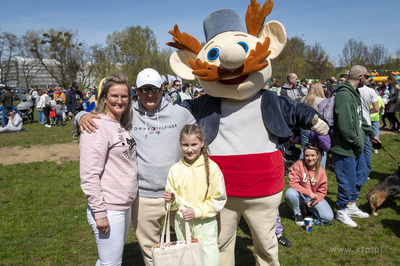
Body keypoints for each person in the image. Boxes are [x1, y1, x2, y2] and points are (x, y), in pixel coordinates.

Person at [76, 68, 196, 266]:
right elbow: (100, 119)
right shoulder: (128, 114)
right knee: (151, 254)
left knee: (184, 249)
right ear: (137, 91)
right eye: (144, 89)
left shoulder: (180, 113)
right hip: (142, 198)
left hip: (177, 194)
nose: (150, 94)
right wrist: (81, 115)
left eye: (154, 89)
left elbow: (198, 141)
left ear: (163, 89)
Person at [79, 74, 137, 266]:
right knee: (111, 263)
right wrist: (100, 213)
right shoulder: (96, 126)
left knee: (108, 261)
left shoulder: (120, 123)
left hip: (122, 204)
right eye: (114, 96)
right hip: (109, 207)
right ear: (104, 98)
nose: (119, 101)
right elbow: (89, 174)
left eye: (124, 96)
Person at [164, 124, 227, 266]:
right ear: (180, 144)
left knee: (209, 261)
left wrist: (196, 212)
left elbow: (219, 199)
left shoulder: (212, 168)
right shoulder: (175, 170)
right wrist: (170, 200)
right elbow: (172, 204)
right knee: (186, 261)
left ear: (202, 142)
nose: (190, 149)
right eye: (185, 145)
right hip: (182, 225)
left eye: (194, 144)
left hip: (205, 226)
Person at [331, 65, 380, 228]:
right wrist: (358, 142)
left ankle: (351, 205)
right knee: (347, 180)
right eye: (368, 77)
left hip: (356, 146)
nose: (369, 80)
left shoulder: (355, 93)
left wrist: (371, 134)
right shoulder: (344, 95)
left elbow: (360, 119)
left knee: (361, 174)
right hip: (346, 148)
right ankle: (342, 209)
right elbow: (345, 127)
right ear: (360, 77)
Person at [285, 144, 333, 226]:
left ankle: (309, 210)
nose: (310, 158)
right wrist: (309, 193)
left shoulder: (321, 171)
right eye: (307, 156)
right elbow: (293, 183)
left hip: (313, 198)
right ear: (303, 156)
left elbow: (322, 191)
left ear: (317, 156)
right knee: (289, 193)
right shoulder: (298, 165)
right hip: (299, 195)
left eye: (312, 155)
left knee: (328, 217)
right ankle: (298, 214)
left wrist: (315, 200)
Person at [358, 81, 379, 174]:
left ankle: (359, 170)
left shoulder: (353, 89)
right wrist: (367, 112)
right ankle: (367, 172)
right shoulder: (370, 91)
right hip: (366, 121)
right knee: (367, 148)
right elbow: (376, 108)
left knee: (357, 147)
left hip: (355, 122)